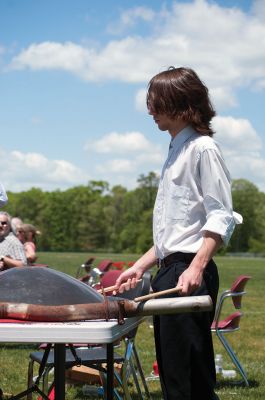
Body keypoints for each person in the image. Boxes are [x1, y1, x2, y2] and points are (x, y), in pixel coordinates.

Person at [114, 67, 242, 400]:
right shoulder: (175, 151)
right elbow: (176, 229)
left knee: (187, 379)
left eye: (156, 102)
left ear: (180, 103)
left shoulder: (203, 149)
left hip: (187, 270)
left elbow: (221, 215)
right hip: (172, 269)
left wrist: (196, 267)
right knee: (176, 375)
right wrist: (141, 265)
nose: (150, 110)